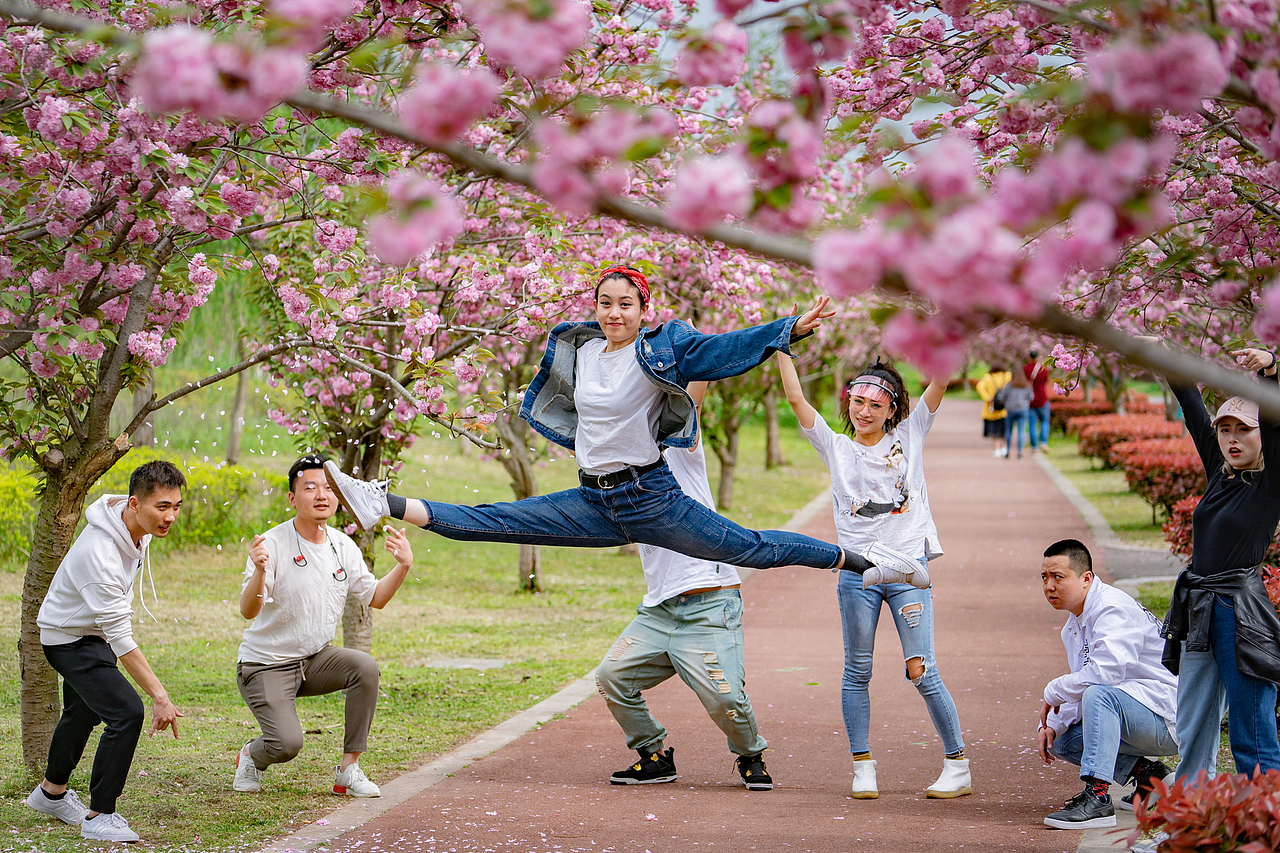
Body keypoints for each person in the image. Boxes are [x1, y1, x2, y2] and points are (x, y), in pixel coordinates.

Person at [323, 267, 909, 584]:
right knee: (494, 523)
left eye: (625, 303)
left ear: (642, 310)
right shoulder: (580, 352)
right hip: (594, 499)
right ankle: (382, 502)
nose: (613, 312)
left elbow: (718, 350)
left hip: (651, 498)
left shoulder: (663, 347)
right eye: (605, 302)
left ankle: (857, 562)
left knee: (746, 549)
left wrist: (788, 329)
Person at [775, 352, 971, 799]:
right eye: (857, 401)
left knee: (922, 669)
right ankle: (863, 765)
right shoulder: (836, 447)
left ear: (893, 409)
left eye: (875, 405)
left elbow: (940, 378)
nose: (864, 411)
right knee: (856, 670)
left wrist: (949, 333)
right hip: (856, 573)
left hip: (907, 572)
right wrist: (782, 344)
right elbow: (795, 397)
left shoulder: (911, 434)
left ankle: (957, 763)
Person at [597, 381, 772, 791]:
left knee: (726, 699)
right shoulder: (616, 471)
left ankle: (750, 753)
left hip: (710, 604)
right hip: (658, 611)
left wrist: (689, 349)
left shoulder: (677, 448)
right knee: (612, 676)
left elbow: (691, 397)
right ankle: (653, 756)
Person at [233, 454, 414, 798]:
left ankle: (348, 769)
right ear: (292, 497)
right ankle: (251, 756)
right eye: (310, 487)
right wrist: (258, 570)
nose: (321, 495)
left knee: (364, 667)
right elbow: (248, 610)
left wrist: (403, 566)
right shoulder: (271, 544)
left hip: (316, 659)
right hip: (266, 664)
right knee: (286, 744)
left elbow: (375, 596)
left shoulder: (342, 545)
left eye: (329, 488)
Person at [24, 461, 187, 843]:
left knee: (83, 713)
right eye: (162, 507)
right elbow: (121, 639)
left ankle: (51, 793)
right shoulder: (100, 553)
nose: (171, 517)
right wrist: (159, 697)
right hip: (68, 638)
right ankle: (100, 816)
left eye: (176, 506)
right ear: (134, 503)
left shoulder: (134, 529)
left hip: (89, 632)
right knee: (127, 712)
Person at [1158, 345, 1280, 782]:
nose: (1232, 439)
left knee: (1252, 729)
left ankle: (1266, 824)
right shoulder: (1220, 474)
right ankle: (1187, 823)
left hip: (1239, 612)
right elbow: (1192, 409)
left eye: (1243, 430)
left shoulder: (1269, 483)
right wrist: (1166, 358)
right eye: (1224, 429)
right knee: (1192, 724)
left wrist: (1269, 368)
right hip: (1198, 609)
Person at [1037, 539, 1178, 830]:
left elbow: (1104, 675)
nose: (1049, 586)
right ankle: (1150, 776)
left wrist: (1053, 690)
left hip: (1170, 717)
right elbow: (1081, 687)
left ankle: (1098, 799)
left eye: (1058, 577)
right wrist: (1052, 723)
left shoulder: (1111, 608)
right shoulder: (1074, 624)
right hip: (1139, 711)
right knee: (1063, 740)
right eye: (1045, 577)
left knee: (1100, 695)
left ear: (1086, 578)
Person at [976, 364, 1011, 457]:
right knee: (1004, 430)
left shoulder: (987, 377)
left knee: (994, 432)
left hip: (990, 408)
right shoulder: (1007, 376)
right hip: (1004, 409)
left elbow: (979, 387)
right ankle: (1005, 447)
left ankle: (996, 449)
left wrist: (988, 398)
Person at [1003, 368, 1035, 459]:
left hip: (1011, 409)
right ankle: (1020, 452)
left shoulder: (1008, 385)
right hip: (1023, 409)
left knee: (1009, 430)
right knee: (1021, 431)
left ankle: (1008, 450)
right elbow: (1031, 397)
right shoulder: (1026, 385)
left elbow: (1003, 397)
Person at [1025, 348, 1051, 451]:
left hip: (1030, 400)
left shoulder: (1025, 369)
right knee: (1044, 421)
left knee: (1032, 423)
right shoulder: (1043, 369)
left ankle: (1034, 446)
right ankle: (1043, 442)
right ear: (1038, 357)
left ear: (1029, 357)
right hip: (1042, 399)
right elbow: (1046, 381)